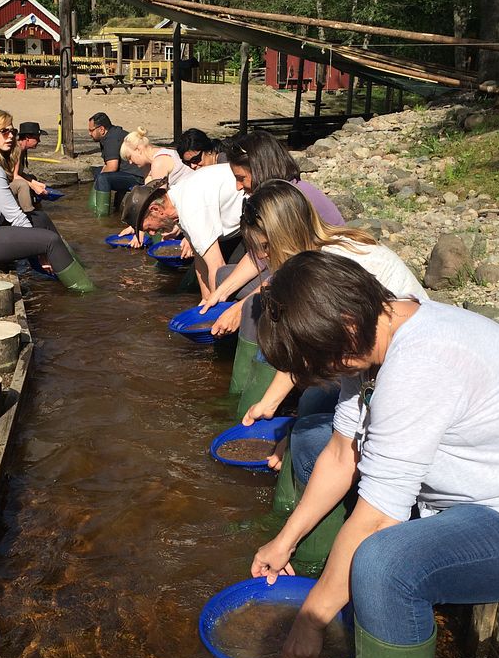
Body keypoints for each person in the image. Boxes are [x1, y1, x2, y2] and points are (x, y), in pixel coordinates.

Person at [249, 251, 499, 658]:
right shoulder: (379, 334)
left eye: (320, 360)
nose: (325, 373)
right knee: (317, 444)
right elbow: (341, 454)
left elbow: (378, 520)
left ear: (347, 322)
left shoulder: (423, 359)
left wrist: (311, 620)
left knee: (384, 565)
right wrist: (285, 540)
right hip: (469, 502)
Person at [231, 180, 427, 465]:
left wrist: (295, 438)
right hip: (369, 358)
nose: (262, 256)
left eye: (265, 246)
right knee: (312, 403)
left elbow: (328, 341)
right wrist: (269, 403)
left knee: (311, 417)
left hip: (402, 366)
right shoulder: (320, 254)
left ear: (286, 235)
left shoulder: (332, 266)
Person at [200, 131, 346, 340]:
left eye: (241, 178)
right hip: (295, 267)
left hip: (322, 278)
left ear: (259, 170)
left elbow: (290, 270)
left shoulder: (289, 202)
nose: (238, 187)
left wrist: (241, 308)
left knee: (250, 304)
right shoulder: (274, 198)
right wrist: (219, 293)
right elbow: (259, 255)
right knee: (224, 276)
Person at [0, 110, 93, 292]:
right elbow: (14, 215)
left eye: (12, 131)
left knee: (40, 218)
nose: (11, 137)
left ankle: (75, 268)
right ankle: (85, 291)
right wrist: (38, 249)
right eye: (4, 132)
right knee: (50, 241)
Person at [120, 163, 244, 298]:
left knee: (229, 282)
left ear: (155, 210)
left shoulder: (190, 211)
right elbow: (200, 258)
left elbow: (217, 266)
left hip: (262, 206)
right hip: (243, 225)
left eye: (148, 227)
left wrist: (213, 311)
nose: (152, 233)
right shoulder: (178, 197)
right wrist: (205, 299)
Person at [87, 112, 146, 214]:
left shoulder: (111, 139)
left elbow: (112, 167)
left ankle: (101, 214)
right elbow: (107, 165)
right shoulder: (112, 134)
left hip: (137, 177)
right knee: (98, 172)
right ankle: (94, 206)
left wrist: (100, 179)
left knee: (102, 178)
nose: (89, 133)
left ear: (101, 129)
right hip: (130, 173)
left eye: (91, 130)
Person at [119, 126, 190, 185]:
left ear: (138, 150)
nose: (130, 162)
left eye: (129, 157)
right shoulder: (149, 164)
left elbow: (158, 197)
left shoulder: (159, 162)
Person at [10, 121, 50, 212]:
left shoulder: (22, 149)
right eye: (37, 138)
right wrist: (34, 187)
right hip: (4, 185)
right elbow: (15, 176)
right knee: (23, 185)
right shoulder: (16, 149)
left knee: (32, 178)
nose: (39, 141)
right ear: (27, 138)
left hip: (12, 180)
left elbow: (19, 173)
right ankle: (29, 213)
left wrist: (36, 183)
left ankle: (37, 209)